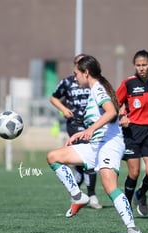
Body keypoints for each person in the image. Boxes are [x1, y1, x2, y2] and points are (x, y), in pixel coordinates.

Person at [47, 55, 143, 233]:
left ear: (86, 72)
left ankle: (133, 230)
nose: (75, 78)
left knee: (110, 187)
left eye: (77, 74)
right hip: (95, 146)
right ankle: (78, 196)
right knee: (53, 157)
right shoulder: (94, 89)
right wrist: (80, 134)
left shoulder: (98, 89)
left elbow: (111, 112)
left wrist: (89, 130)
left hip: (109, 145)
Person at [116, 49, 148, 217]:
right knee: (134, 173)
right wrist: (122, 116)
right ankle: (126, 206)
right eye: (138, 65)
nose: (141, 68)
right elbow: (115, 103)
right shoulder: (128, 83)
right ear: (134, 65)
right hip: (132, 131)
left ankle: (140, 193)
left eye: (144, 65)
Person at [50, 54, 102, 210]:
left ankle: (84, 190)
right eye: (78, 63)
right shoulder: (67, 82)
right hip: (74, 125)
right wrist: (64, 109)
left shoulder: (95, 83)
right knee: (87, 159)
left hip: (91, 125)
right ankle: (89, 194)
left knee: (86, 161)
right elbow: (53, 98)